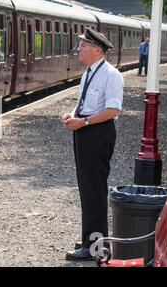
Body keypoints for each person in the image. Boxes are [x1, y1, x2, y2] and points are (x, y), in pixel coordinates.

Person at [61, 28, 124, 261]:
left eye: (83, 45)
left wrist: (84, 121)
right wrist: (71, 115)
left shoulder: (111, 75)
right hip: (85, 132)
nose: (79, 49)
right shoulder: (89, 72)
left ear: (97, 50)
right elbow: (84, 103)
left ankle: (94, 247)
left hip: (98, 133)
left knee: (94, 190)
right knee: (87, 189)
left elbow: (113, 110)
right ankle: (90, 238)